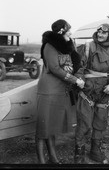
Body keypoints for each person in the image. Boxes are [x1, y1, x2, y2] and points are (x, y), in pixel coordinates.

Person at [36, 19, 85, 164]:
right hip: (48, 91)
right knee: (42, 128)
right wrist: (75, 80)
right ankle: (41, 161)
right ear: (62, 31)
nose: (71, 32)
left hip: (60, 90)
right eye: (68, 29)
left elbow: (72, 64)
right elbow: (54, 68)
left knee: (51, 126)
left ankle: (53, 157)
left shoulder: (66, 47)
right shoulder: (49, 46)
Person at [73, 23, 109, 164]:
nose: (100, 35)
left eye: (104, 33)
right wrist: (81, 81)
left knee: (100, 123)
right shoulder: (88, 47)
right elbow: (79, 68)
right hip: (87, 91)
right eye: (99, 32)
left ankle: (95, 151)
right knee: (84, 123)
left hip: (104, 93)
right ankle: (79, 155)